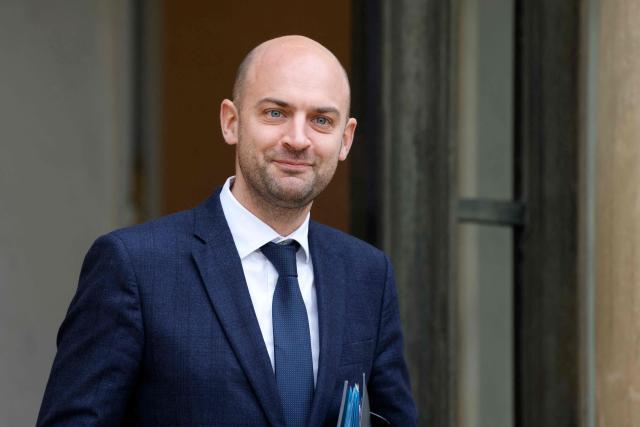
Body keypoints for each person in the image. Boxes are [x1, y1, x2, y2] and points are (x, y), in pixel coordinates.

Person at [37, 35, 417, 426]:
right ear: (230, 122)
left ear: (346, 139)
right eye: (275, 113)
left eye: (321, 120)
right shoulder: (134, 266)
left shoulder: (367, 275)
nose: (298, 139)